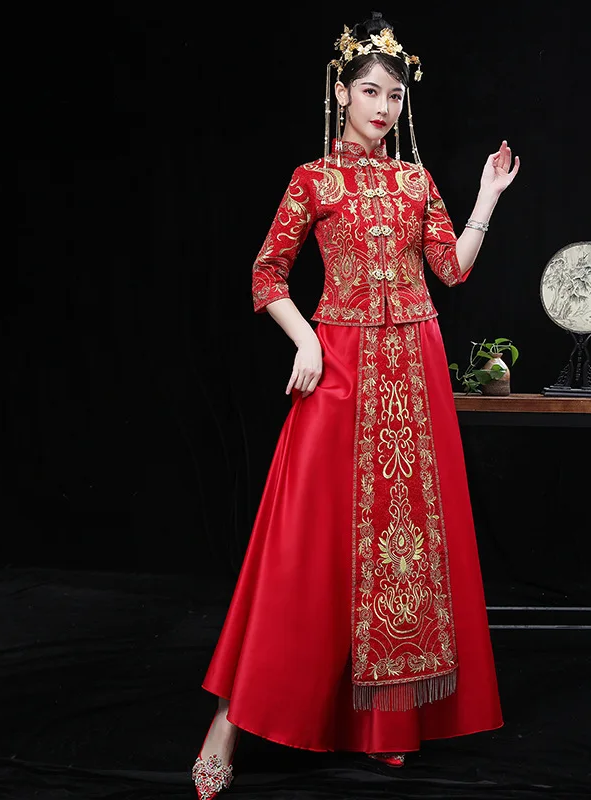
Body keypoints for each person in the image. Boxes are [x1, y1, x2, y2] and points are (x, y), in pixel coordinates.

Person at [191, 11, 520, 798]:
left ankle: (387, 727)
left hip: (415, 370)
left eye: (394, 96)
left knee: (404, 548)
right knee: (305, 543)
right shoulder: (313, 179)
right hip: (339, 364)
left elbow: (452, 270)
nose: (383, 107)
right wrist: (306, 340)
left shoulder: (416, 181)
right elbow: (266, 274)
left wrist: (485, 198)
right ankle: (228, 722)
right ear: (341, 93)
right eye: (369, 91)